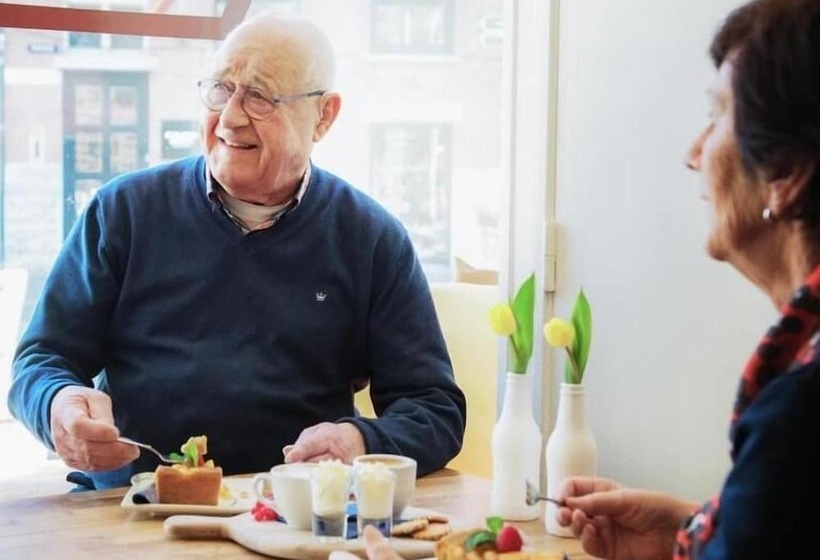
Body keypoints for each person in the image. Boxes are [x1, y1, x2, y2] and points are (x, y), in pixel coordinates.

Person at [329, 0, 820, 559]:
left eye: (716, 116)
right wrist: (689, 531)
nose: (693, 153)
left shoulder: (799, 415)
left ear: (785, 174)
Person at [7, 13, 466, 490]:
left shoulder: (372, 239)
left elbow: (434, 409)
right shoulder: (124, 211)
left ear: (323, 117)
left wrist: (360, 441)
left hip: (290, 517)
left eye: (260, 96)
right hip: (132, 506)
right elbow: (40, 359)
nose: (229, 117)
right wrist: (58, 404)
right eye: (222, 89)